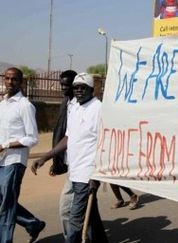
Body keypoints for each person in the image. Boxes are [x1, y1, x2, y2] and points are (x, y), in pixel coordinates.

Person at [31, 72, 108, 243]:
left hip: (86, 174)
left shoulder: (98, 109)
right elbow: (68, 138)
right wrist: (45, 157)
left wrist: (97, 175)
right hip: (73, 171)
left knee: (74, 222)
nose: (79, 91)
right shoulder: (74, 107)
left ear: (91, 89)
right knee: (82, 214)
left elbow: (104, 144)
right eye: (76, 88)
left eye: (83, 88)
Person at [0, 67, 46, 243]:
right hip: (1, 159)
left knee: (7, 206)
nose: (10, 82)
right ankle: (33, 224)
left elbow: (32, 138)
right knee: (4, 203)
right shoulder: (2, 104)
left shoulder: (25, 105)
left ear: (21, 82)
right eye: (7, 78)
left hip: (14, 160)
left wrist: (6, 145)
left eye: (15, 79)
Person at [31, 70, 77, 239]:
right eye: (62, 85)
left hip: (82, 167)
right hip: (70, 162)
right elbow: (63, 134)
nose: (64, 88)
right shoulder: (67, 104)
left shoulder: (86, 107)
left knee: (67, 209)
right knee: (81, 212)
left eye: (68, 85)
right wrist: (53, 160)